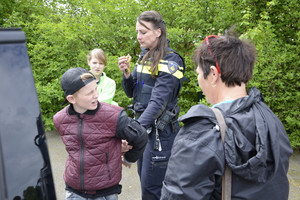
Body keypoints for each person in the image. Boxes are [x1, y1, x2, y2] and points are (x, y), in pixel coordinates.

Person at [160, 34, 293, 200]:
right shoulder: (270, 119)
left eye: (199, 74)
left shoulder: (201, 133)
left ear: (214, 74)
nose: (199, 81)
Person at [118, 10, 185, 200]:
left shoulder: (172, 60)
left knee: (153, 190)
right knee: (146, 185)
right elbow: (133, 93)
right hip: (143, 131)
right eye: (137, 32)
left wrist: (131, 133)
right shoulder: (144, 55)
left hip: (160, 136)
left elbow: (157, 103)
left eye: (143, 31)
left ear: (158, 32)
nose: (139, 37)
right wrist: (126, 74)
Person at [53, 67, 148, 200]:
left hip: (105, 193)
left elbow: (141, 136)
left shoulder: (114, 116)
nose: (96, 95)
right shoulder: (59, 119)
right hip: (74, 190)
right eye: (89, 93)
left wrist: (128, 158)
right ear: (71, 99)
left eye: (96, 89)